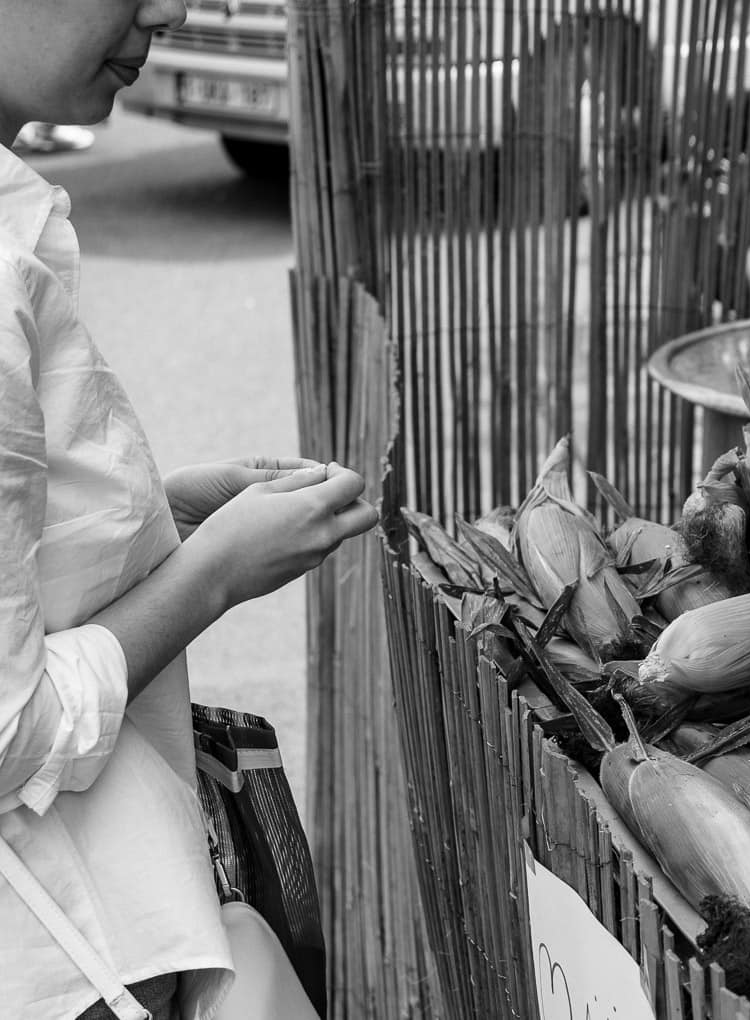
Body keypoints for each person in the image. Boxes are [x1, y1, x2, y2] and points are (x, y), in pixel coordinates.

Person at [0, 1, 379, 1017]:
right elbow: (7, 733)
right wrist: (212, 576)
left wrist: (165, 514)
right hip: (59, 957)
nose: (168, 9)